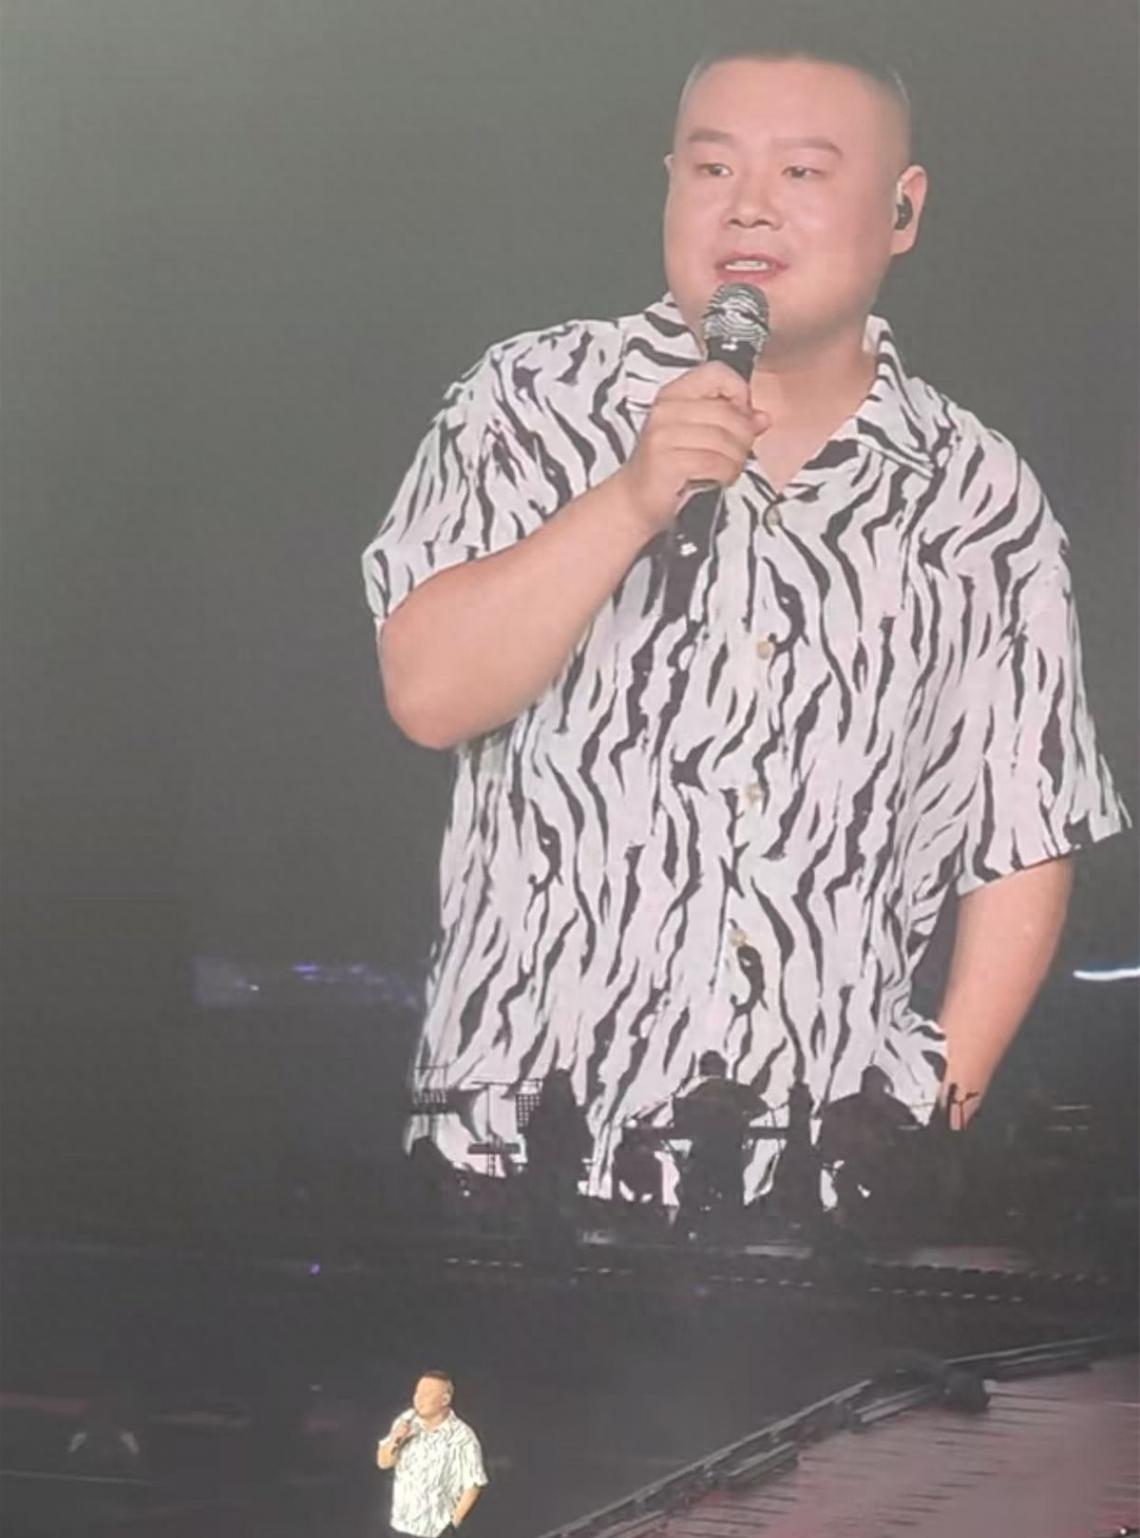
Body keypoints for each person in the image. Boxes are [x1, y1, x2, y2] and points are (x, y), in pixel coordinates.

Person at [363, 20, 1128, 1199]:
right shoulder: (527, 399)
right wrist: (632, 495)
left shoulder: (976, 492)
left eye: (803, 172)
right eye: (713, 166)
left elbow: (1025, 830)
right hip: (514, 1169)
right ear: (669, 184)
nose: (748, 208)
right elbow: (428, 693)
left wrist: (930, 1116)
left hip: (819, 1186)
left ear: (904, 209)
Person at [376, 1371, 487, 1538]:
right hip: (400, 1528)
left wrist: (453, 1524)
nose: (418, 1399)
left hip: (435, 1531)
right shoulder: (406, 1421)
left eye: (426, 1394)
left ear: (445, 1400)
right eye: (417, 1393)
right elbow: (383, 1462)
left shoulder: (462, 1436)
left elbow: (474, 1484)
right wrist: (395, 1439)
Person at [673, 1049, 767, 1217]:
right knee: (732, 1197)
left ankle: (686, 1226)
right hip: (729, 1153)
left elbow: (682, 1120)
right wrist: (743, 1119)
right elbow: (761, 1108)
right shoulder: (735, 1089)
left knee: (692, 1196)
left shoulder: (698, 1091)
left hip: (703, 1154)